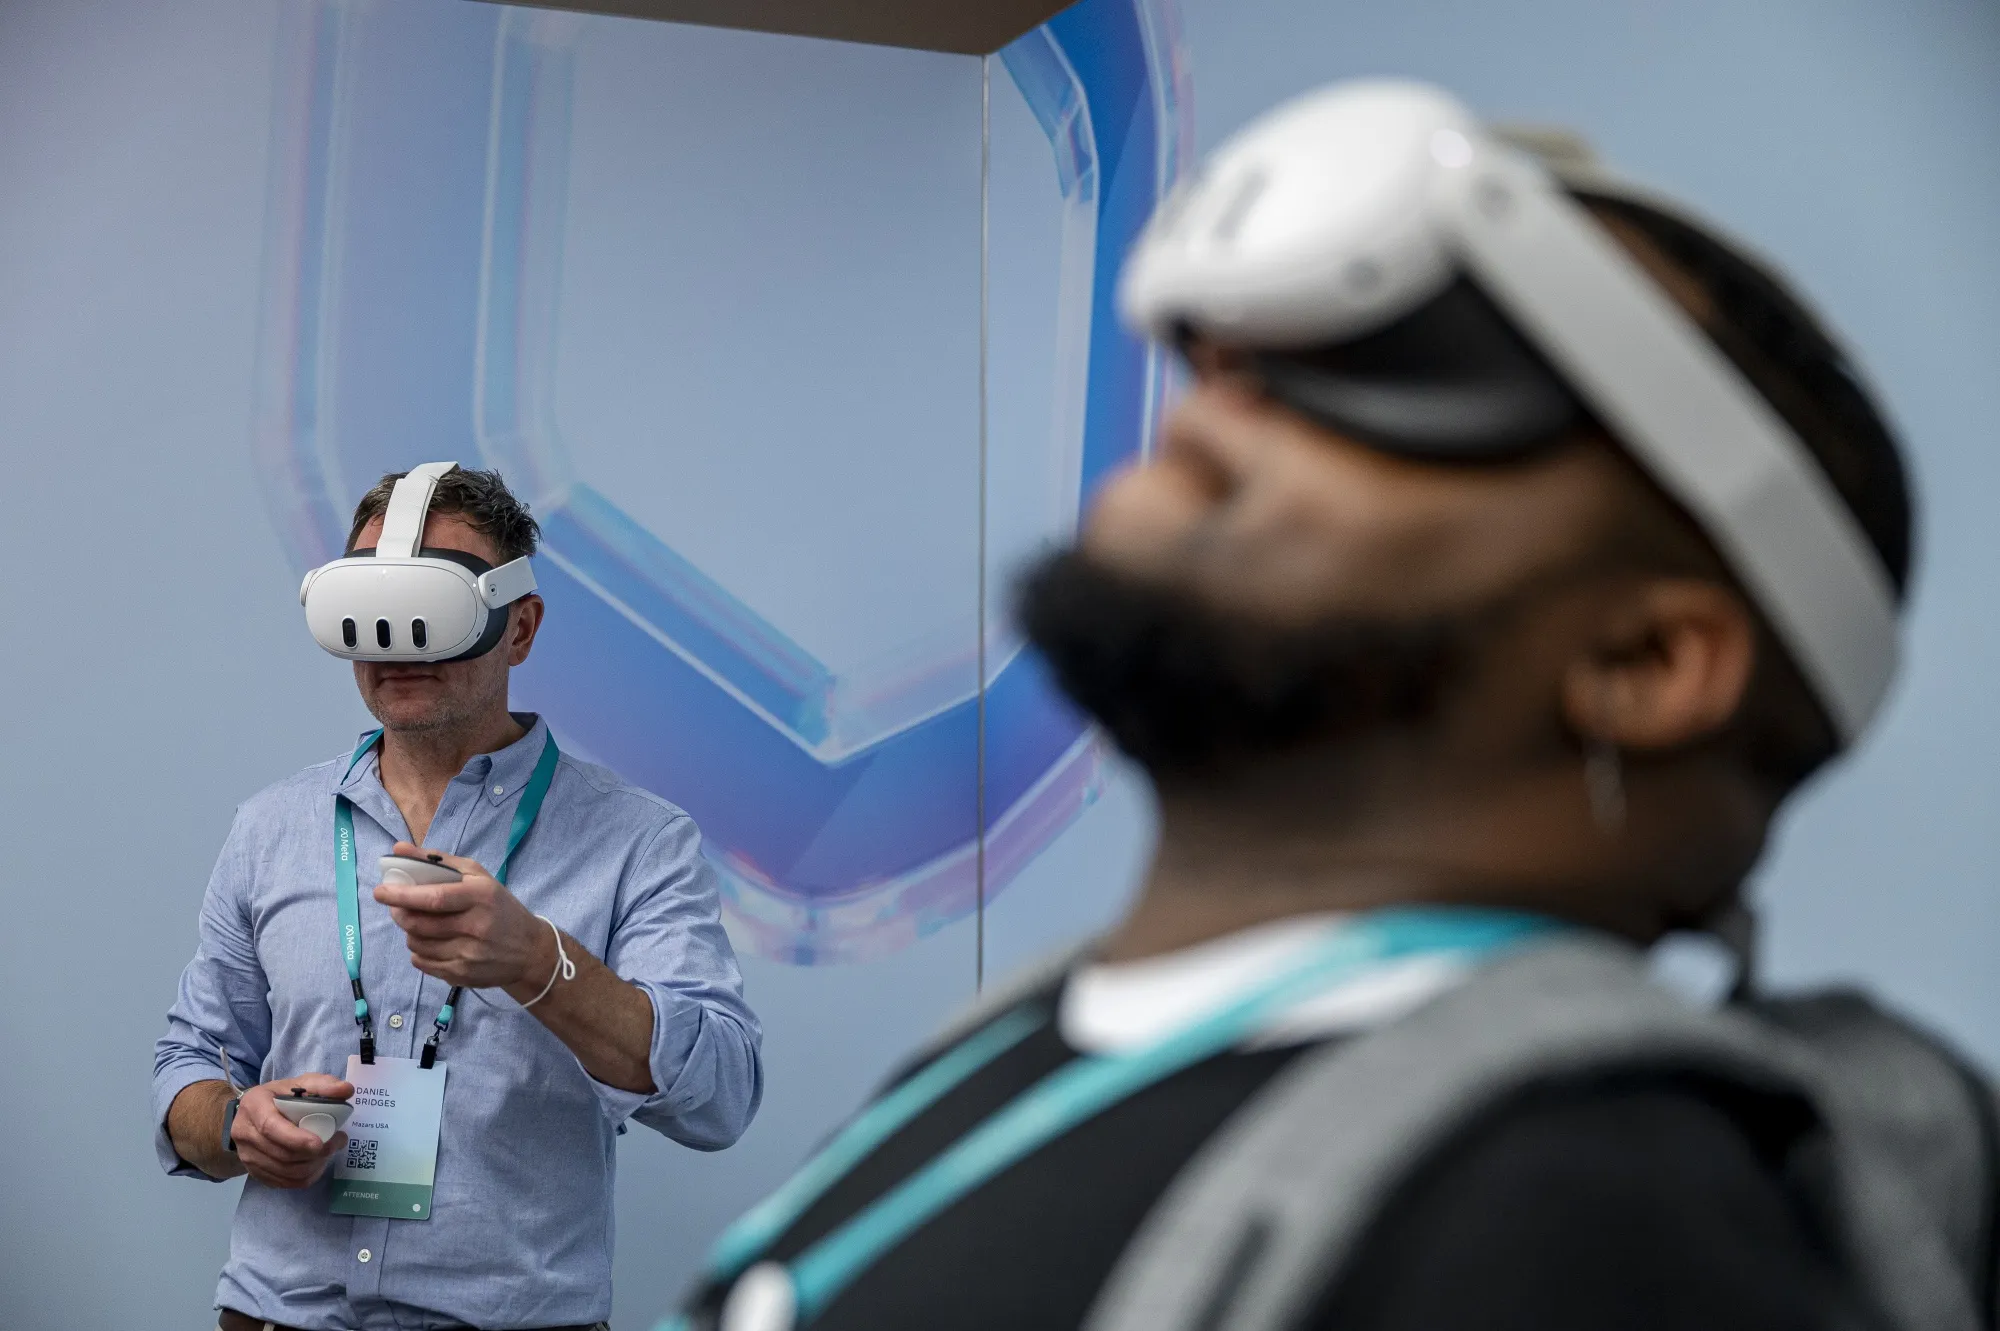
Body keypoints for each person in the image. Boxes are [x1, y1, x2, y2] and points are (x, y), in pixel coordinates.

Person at [667, 82, 1997, 1331]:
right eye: (1234, 361)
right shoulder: (1006, 1058)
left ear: (1646, 660)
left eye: (1418, 376)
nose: (1220, 405)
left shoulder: (1575, 1206)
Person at [155, 465, 763, 1331]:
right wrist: (234, 1124)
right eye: (373, 606)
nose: (400, 642)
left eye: (432, 602)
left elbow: (722, 1095)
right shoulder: (271, 828)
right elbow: (187, 1067)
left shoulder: (637, 841)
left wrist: (539, 964)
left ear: (521, 628)